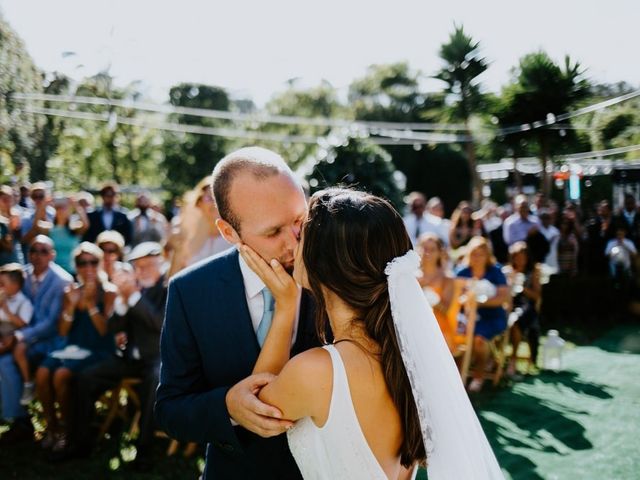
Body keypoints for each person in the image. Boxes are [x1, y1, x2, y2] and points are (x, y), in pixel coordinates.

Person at [239, 188, 503, 479]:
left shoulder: (316, 371)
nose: (290, 243)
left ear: (327, 264)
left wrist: (286, 307)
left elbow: (255, 409)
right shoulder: (405, 357)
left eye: (300, 235)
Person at [155, 147, 320, 480]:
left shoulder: (336, 276)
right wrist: (227, 406)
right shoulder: (191, 291)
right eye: (273, 232)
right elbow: (171, 409)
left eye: (300, 221)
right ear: (229, 232)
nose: (294, 243)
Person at [74, 241, 167, 465]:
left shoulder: (169, 288)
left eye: (147, 266)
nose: (141, 271)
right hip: (128, 359)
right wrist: (122, 303)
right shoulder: (132, 288)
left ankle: (144, 450)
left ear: (160, 265)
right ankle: (81, 443)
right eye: (138, 267)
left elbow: (160, 323)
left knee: (154, 382)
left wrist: (133, 296)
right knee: (85, 377)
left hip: (156, 359)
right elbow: (115, 327)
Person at [35, 242, 116, 457]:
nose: (88, 267)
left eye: (93, 262)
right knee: (42, 373)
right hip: (73, 349)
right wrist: (70, 306)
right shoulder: (70, 291)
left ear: (100, 264)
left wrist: (89, 305)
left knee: (60, 375)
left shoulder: (108, 291)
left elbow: (105, 332)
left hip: (99, 350)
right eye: (82, 262)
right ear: (76, 266)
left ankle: (69, 431)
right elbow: (63, 331)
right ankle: (53, 427)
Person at [0, 235, 72, 444]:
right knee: (3, 363)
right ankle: (20, 419)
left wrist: (19, 336)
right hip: (23, 338)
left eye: (43, 251)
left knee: (11, 360)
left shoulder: (62, 281)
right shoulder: (24, 275)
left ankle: (54, 426)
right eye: (33, 250)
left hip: (51, 341)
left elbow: (51, 323)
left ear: (52, 255)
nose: (37, 255)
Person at [456, 236, 509, 393]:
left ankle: (478, 376)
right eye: (474, 253)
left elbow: (502, 298)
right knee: (456, 338)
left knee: (479, 339)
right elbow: (455, 296)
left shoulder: (496, 271)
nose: (477, 257)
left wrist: (477, 302)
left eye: (481, 254)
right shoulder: (462, 272)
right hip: (465, 316)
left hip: (492, 316)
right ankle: (458, 375)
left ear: (487, 255)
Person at [502, 242, 541, 377]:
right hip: (509, 304)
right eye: (516, 257)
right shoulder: (507, 271)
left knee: (515, 322)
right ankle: (496, 359)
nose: (519, 260)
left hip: (526, 306)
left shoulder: (533, 271)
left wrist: (522, 288)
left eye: (522, 257)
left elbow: (537, 296)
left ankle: (512, 360)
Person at [0, 264, 34, 402]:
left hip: (17, 338)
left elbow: (23, 324)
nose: (0, 287)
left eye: (2, 283)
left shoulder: (23, 302)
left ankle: (28, 384)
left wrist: (6, 309)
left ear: (16, 285)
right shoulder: (3, 298)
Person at [416, 233, 455, 350]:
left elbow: (446, 309)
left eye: (432, 249)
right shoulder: (411, 275)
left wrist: (428, 295)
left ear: (439, 253)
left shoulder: (447, 278)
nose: (427, 253)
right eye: (425, 248)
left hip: (438, 327)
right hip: (415, 323)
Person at [48, 195, 89, 275]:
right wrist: (44, 204)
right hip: (54, 273)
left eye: (64, 207)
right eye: (58, 208)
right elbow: (36, 225)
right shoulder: (49, 229)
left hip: (73, 271)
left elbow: (85, 225)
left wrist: (76, 205)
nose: (61, 210)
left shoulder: (75, 228)